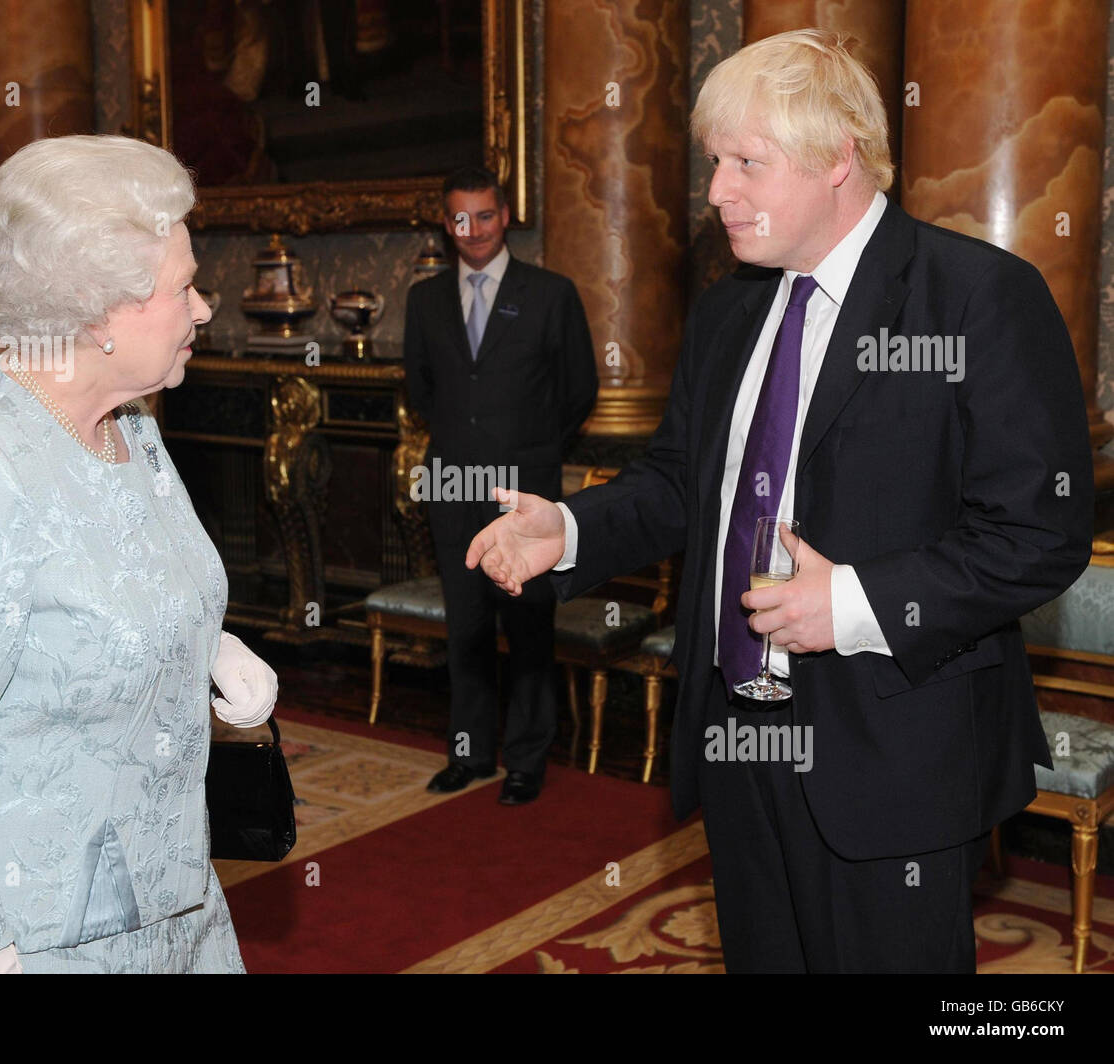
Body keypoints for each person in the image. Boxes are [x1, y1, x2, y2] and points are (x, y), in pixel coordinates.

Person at [465, 29, 1093, 971]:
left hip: (894, 750)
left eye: (746, 163)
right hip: (739, 741)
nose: (717, 191)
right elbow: (682, 482)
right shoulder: (729, 311)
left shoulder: (975, 297)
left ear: (838, 157)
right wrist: (568, 529)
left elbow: (1039, 533)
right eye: (716, 162)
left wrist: (846, 604)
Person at [0, 134, 278, 974]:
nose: (203, 308)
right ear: (97, 312)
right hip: (27, 936)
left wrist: (209, 643)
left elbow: (107, 591)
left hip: (171, 899)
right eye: (183, 287)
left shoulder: (134, 429)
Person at [403, 166, 598, 805]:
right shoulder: (424, 299)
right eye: (460, 218)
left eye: (485, 216)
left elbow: (578, 392)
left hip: (524, 495)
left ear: (504, 215)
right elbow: (421, 390)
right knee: (466, 627)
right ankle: (469, 753)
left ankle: (526, 761)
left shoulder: (551, 294)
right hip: (453, 486)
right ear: (447, 223)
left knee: (529, 626)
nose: (474, 230)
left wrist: (531, 452)